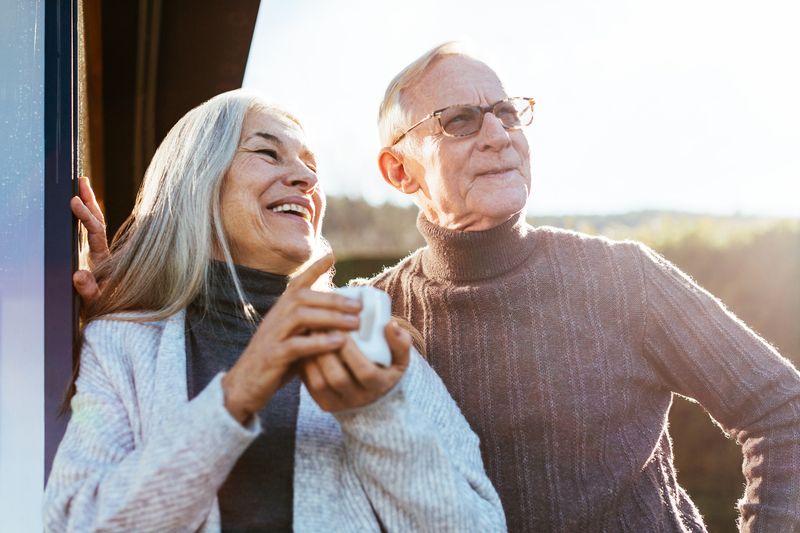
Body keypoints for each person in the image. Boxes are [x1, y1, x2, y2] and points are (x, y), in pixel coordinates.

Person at [359, 43, 800, 532]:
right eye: (460, 120)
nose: (498, 135)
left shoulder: (621, 276)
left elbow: (783, 409)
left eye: (506, 113)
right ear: (399, 170)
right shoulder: (374, 315)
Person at [44, 90, 506, 532]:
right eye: (268, 153)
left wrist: (378, 415)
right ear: (197, 178)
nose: (306, 179)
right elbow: (74, 523)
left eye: (310, 167)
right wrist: (238, 393)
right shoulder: (122, 341)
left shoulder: (372, 346)